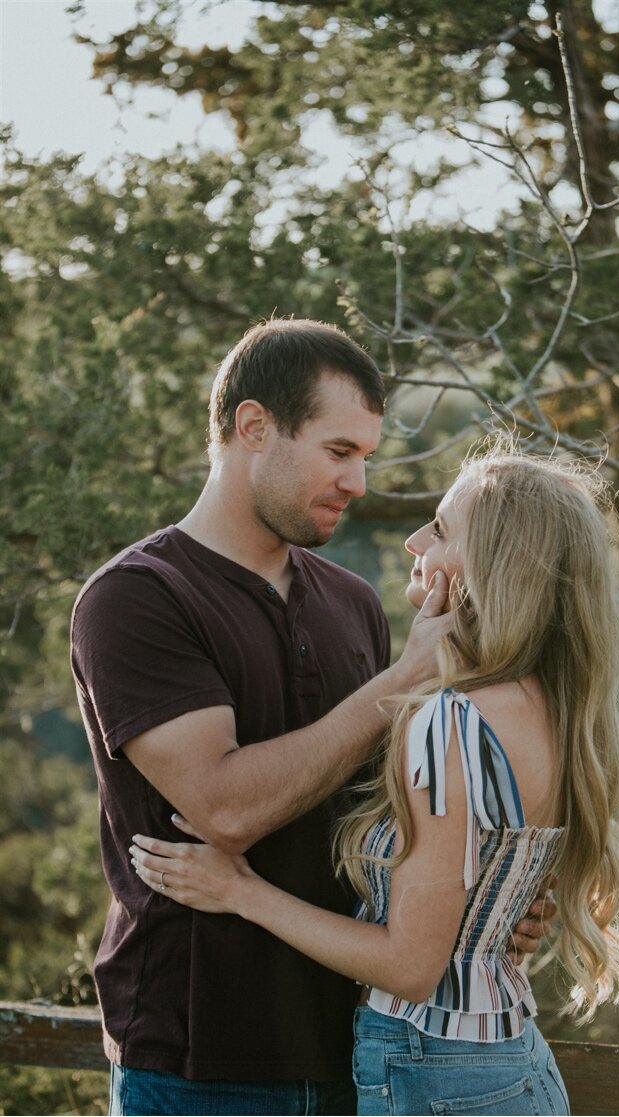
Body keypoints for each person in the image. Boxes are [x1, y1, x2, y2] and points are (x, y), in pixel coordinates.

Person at [71, 319, 548, 1116]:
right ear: (253, 427)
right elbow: (223, 808)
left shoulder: (353, 602)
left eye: (366, 454)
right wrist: (402, 680)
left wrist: (487, 900)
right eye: (338, 452)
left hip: (358, 1041)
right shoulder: (136, 598)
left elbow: (383, 815)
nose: (359, 482)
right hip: (197, 1057)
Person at [130, 447, 619, 1113]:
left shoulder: (450, 723)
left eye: (439, 528)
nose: (414, 540)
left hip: (435, 1075)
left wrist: (240, 891)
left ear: (493, 563)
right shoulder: (557, 708)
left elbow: (412, 966)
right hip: (507, 1061)